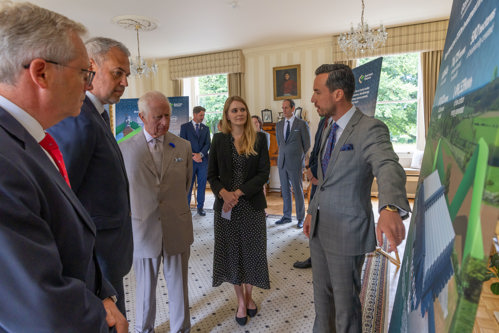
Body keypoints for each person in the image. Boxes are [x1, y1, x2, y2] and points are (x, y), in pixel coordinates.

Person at [0, 2, 127, 332]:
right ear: (41, 73)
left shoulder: (27, 141)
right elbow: (39, 308)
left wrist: (102, 293)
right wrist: (99, 316)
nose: (88, 84)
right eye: (84, 73)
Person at [304, 64, 411, 332]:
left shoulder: (370, 128)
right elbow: (324, 180)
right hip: (319, 227)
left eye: (318, 92)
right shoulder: (327, 126)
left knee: (345, 307)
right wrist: (310, 211)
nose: (312, 99)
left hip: (347, 233)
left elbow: (388, 165)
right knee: (322, 301)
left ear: (338, 94)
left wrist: (389, 206)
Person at [47, 37, 133, 316]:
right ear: (91, 66)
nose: (125, 82)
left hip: (109, 253)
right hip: (96, 259)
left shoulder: (96, 114)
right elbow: (64, 198)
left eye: (127, 75)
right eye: (118, 72)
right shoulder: (79, 117)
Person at [120, 91, 193, 333]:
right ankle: (144, 329)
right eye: (157, 117)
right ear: (141, 116)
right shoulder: (123, 149)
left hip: (176, 226)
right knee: (144, 290)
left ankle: (180, 329)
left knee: (179, 286)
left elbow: (186, 184)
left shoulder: (182, 145)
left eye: (167, 116)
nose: (164, 122)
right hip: (142, 228)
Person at [208, 96, 270, 326]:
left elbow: (263, 174)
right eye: (234, 110)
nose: (239, 113)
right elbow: (211, 175)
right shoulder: (218, 140)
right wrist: (224, 193)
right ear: (227, 115)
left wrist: (238, 193)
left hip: (251, 206)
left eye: (243, 109)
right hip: (226, 209)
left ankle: (250, 296)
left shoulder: (260, 139)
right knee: (233, 255)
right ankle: (241, 302)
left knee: (252, 254)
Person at [293, 111, 331, 269]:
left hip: (331, 184)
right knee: (315, 218)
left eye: (318, 93)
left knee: (327, 222)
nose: (313, 100)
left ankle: (328, 258)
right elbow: (316, 150)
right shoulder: (323, 122)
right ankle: (315, 257)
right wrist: (310, 169)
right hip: (316, 180)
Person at [275, 98, 310, 228]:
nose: (284, 110)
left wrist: (300, 158)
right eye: (283, 108)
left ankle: (300, 218)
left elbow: (307, 144)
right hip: (282, 162)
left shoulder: (301, 124)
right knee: (285, 190)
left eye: (286, 108)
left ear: (293, 108)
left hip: (295, 162)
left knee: (297, 190)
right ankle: (287, 216)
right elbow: (280, 143)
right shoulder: (278, 125)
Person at [180, 106, 211, 216]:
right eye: (201, 115)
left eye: (203, 115)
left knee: (202, 185)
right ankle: (186, 208)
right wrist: (193, 156)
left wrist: (200, 155)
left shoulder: (206, 128)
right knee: (189, 185)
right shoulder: (184, 127)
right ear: (194, 114)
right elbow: (182, 143)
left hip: (203, 161)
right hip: (190, 161)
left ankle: (200, 208)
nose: (202, 117)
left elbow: (208, 144)